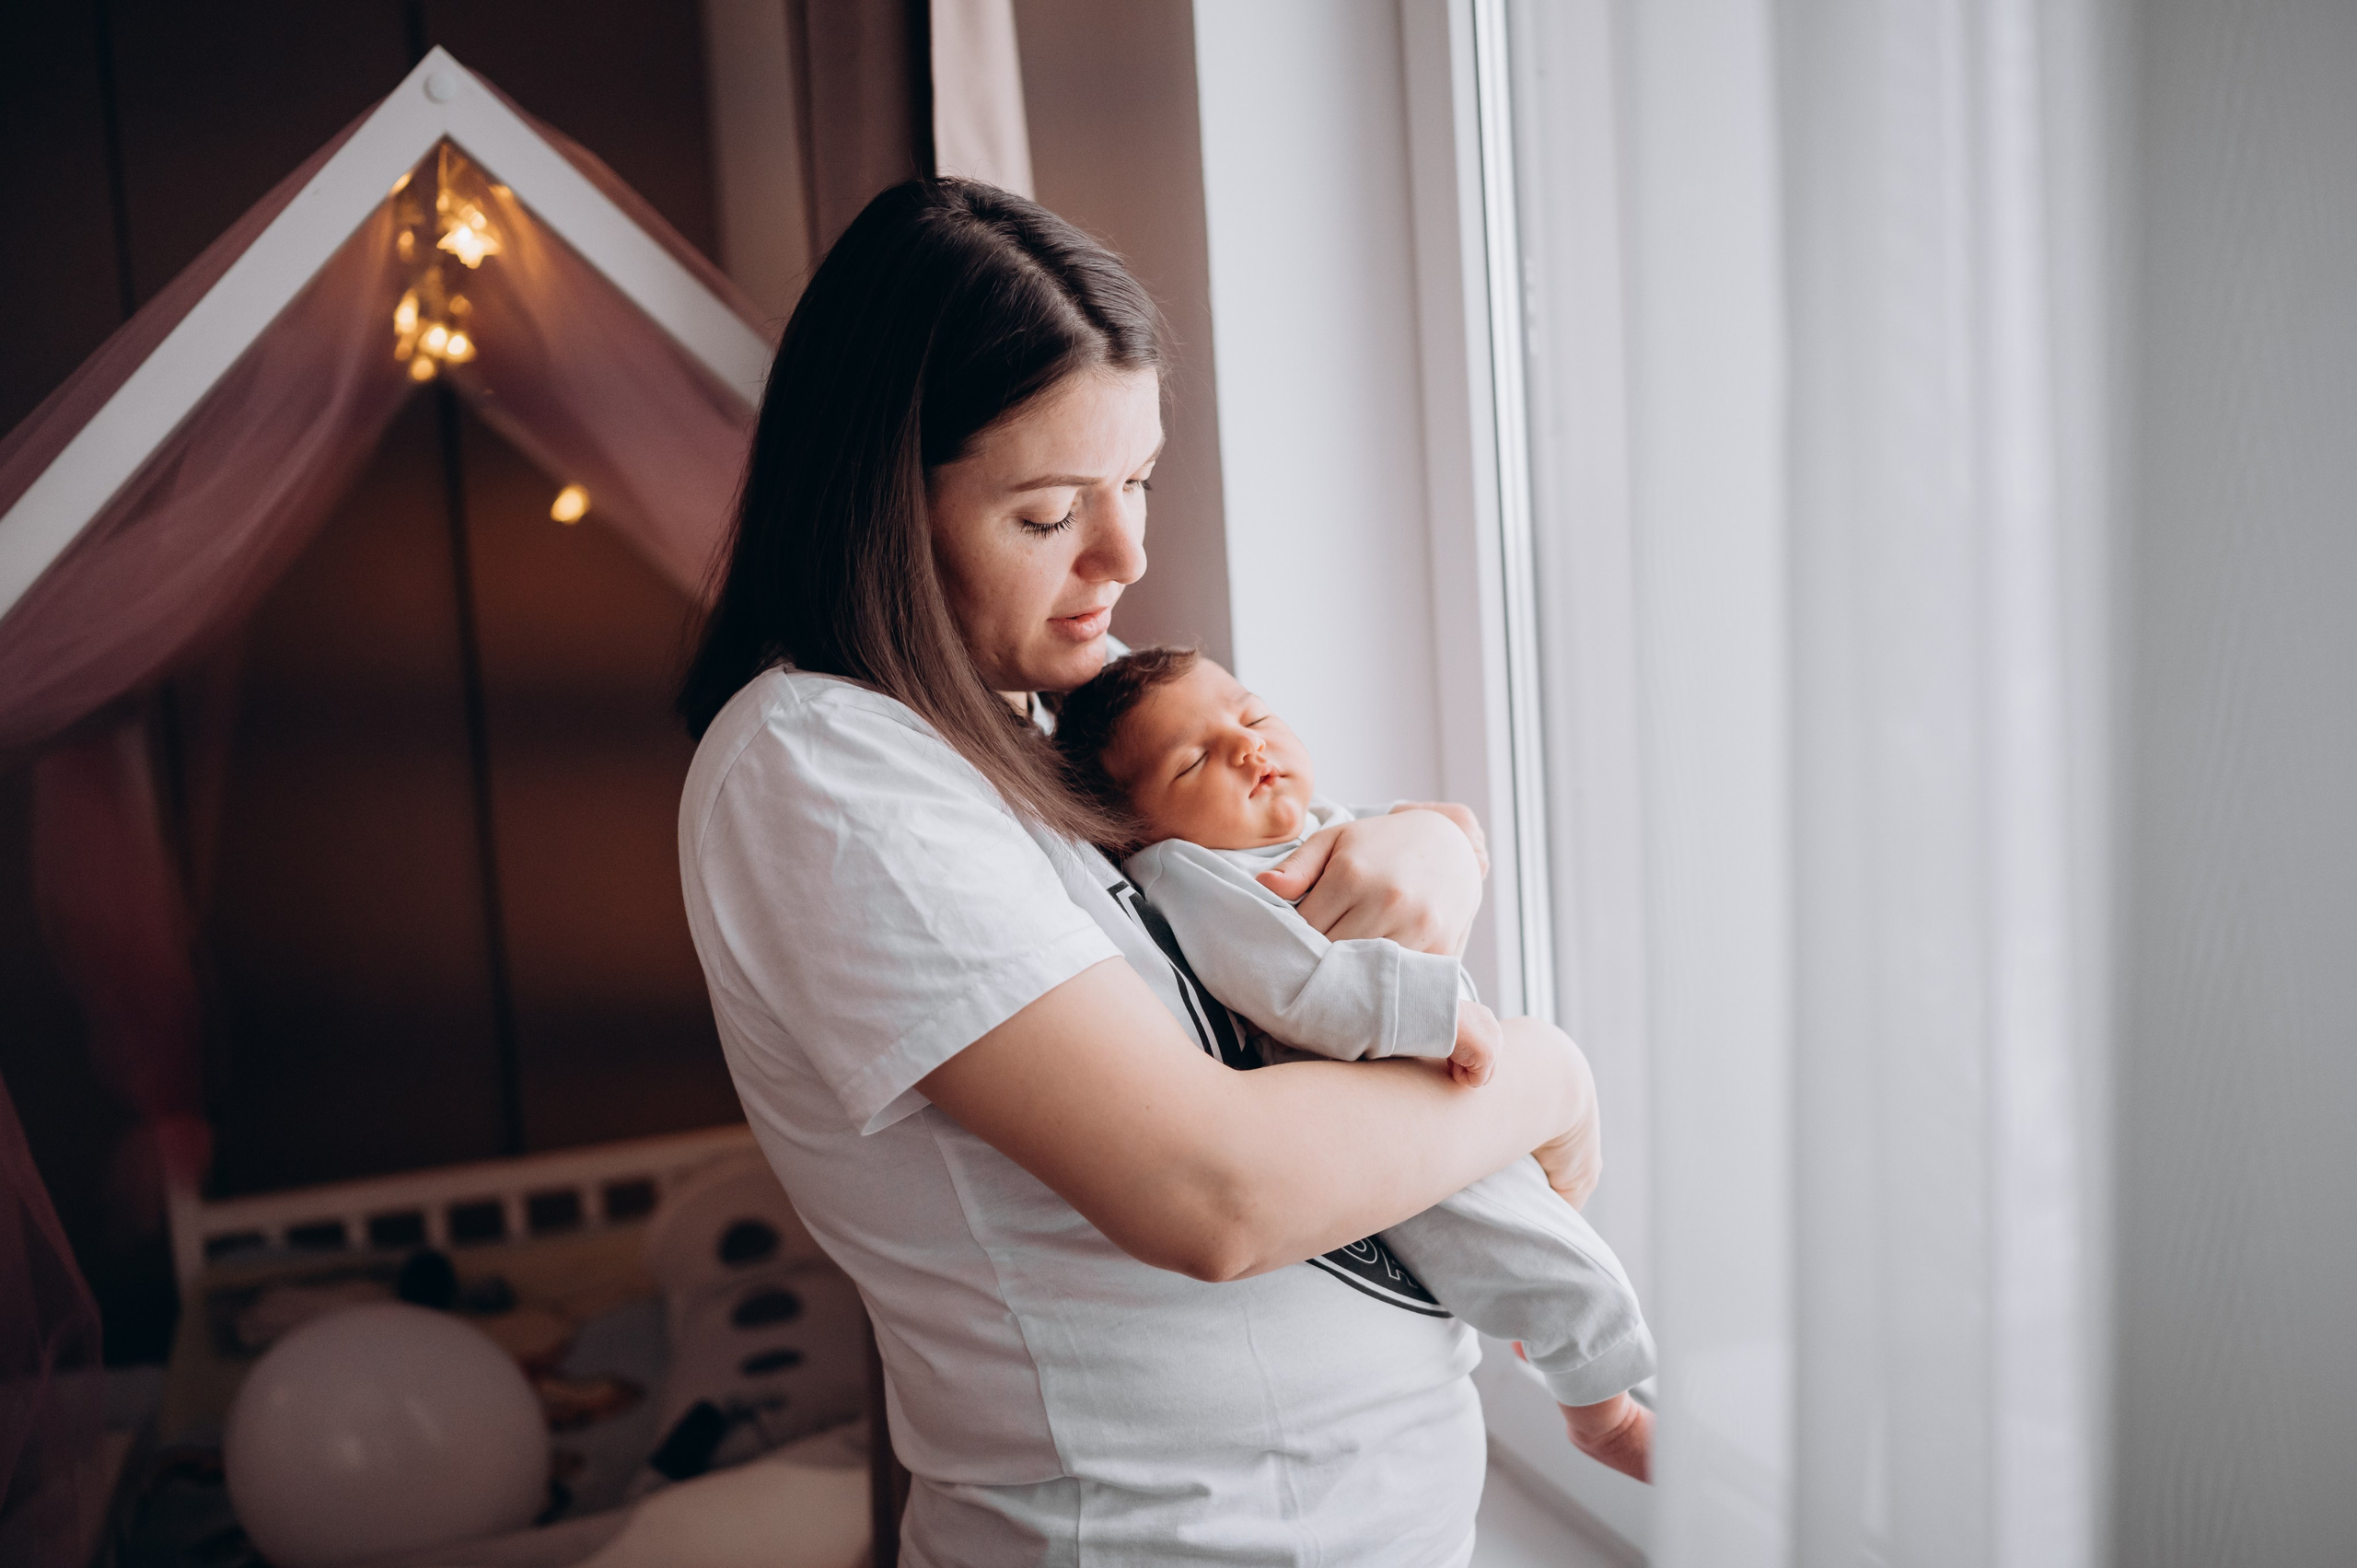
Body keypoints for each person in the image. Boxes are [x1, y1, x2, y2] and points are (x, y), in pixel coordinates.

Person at [676, 177, 1607, 1566]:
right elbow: (1208, 1195)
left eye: (1138, 482)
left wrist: (1442, 831)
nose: (1129, 554)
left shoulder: (1040, 708)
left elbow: (1296, 826)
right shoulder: (825, 766)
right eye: (1050, 512)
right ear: (885, 506)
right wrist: (1543, 1075)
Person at [1051, 644, 1655, 1481]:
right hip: (1365, 1102)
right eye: (1195, 761)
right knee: (1564, 1271)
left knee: (1548, 1242)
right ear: (1138, 829)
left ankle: (1563, 1350)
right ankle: (1606, 1417)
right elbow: (1297, 987)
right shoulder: (1191, 872)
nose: (1247, 747)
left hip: (1419, 1091)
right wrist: (1436, 1016)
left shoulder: (1293, 824)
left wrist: (1429, 826)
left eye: (1253, 716)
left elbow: (1383, 837)